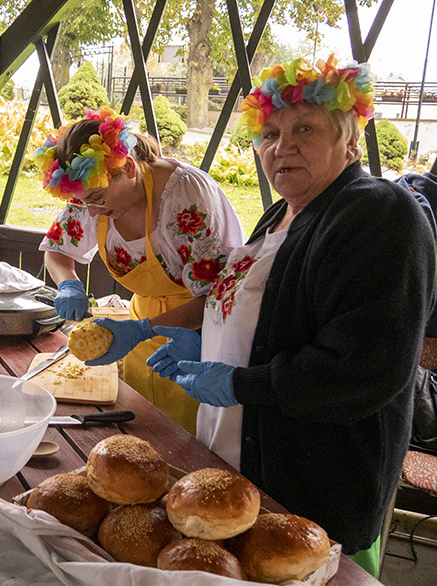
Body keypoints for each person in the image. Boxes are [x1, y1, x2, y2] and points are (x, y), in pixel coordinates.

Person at [146, 56, 437, 578]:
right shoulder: (281, 211)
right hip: (235, 467)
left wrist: (243, 382)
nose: (282, 146)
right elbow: (256, 311)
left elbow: (365, 368)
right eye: (270, 133)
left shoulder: (379, 213)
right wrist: (210, 344)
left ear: (350, 139)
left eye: (305, 127)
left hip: (311, 488)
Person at [34, 107, 245, 435]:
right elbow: (58, 252)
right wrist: (68, 284)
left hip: (198, 338)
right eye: (83, 202)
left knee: (188, 443)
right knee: (138, 435)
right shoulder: (90, 190)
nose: (91, 210)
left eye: (97, 200)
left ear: (128, 167)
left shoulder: (185, 197)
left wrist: (141, 331)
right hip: (141, 331)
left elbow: (214, 299)